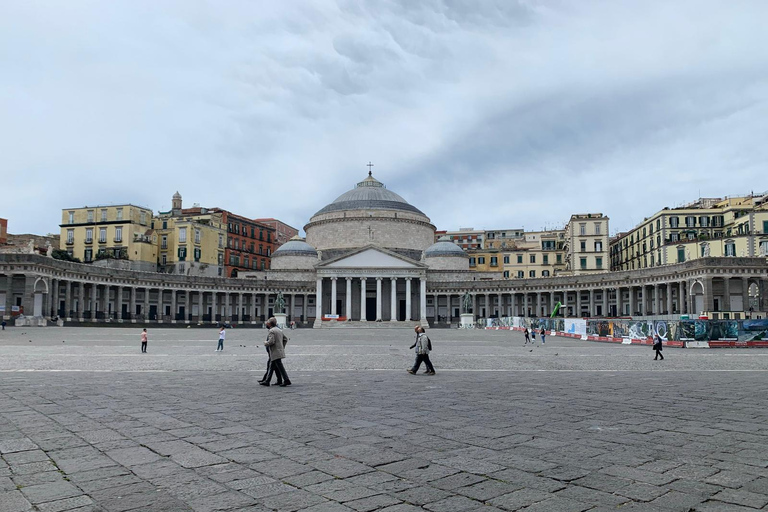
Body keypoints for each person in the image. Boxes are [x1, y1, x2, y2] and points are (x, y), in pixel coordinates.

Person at [261, 317, 291, 387]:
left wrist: (266, 343)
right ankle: (267, 381)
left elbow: (271, 341)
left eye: (267, 323)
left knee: (279, 366)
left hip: (275, 351)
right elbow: (285, 339)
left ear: (269, 323)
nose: (266, 324)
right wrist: (282, 347)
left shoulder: (271, 331)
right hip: (278, 351)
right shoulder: (279, 330)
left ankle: (286, 380)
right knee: (272, 366)